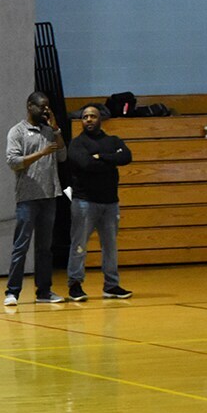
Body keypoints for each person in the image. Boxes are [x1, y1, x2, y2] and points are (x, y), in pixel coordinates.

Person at [4, 91, 68, 306]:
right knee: (21, 246)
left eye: (47, 106)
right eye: (41, 106)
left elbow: (62, 156)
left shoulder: (50, 131)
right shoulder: (17, 131)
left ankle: (44, 292)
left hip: (49, 196)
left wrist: (56, 130)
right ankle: (12, 292)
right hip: (27, 198)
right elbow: (13, 162)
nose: (45, 110)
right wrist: (41, 153)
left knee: (45, 248)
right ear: (29, 106)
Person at [65, 103, 134, 300]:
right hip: (84, 202)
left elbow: (126, 156)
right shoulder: (77, 144)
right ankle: (75, 284)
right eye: (85, 116)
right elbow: (86, 164)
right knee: (79, 244)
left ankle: (111, 285)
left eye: (93, 116)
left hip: (110, 202)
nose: (89, 119)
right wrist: (111, 161)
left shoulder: (112, 140)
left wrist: (101, 157)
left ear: (100, 119)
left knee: (110, 246)